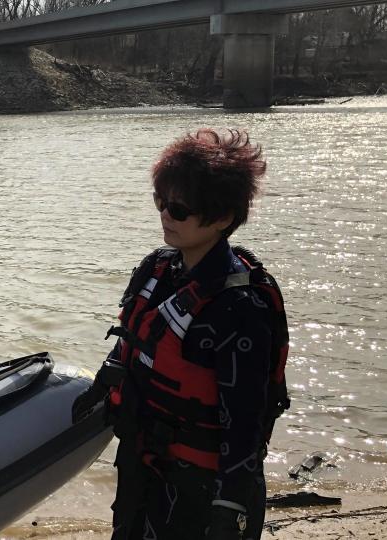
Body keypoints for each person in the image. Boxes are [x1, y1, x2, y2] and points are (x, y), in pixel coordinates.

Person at [84, 129, 290, 540]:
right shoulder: (155, 270)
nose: (165, 215)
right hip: (143, 465)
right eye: (162, 202)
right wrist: (102, 386)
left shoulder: (240, 308)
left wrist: (229, 506)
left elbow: (245, 424)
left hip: (204, 487)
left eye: (178, 209)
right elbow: (132, 342)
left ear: (222, 218)